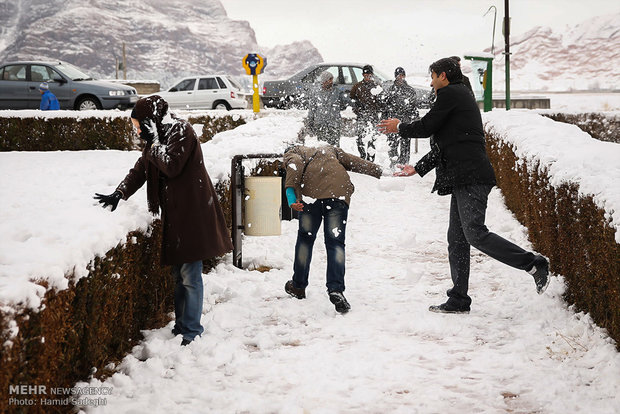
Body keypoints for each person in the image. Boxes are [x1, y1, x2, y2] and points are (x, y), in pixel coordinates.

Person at [377, 57, 550, 314]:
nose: (431, 82)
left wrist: (400, 126)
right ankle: (458, 298)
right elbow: (443, 144)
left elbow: (426, 127)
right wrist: (419, 167)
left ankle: (533, 264)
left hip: (471, 176)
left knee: (475, 234)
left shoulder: (452, 94)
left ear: (444, 76)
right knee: (457, 240)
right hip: (462, 178)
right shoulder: (456, 96)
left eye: (433, 76)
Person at [94, 95, 233, 345]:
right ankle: (182, 325)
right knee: (179, 275)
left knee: (190, 274)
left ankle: (191, 330)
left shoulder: (181, 131)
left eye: (138, 125)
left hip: (193, 213)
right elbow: (141, 169)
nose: (136, 130)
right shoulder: (155, 137)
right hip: (176, 214)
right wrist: (120, 192)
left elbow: (171, 166)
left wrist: (155, 140)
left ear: (150, 120)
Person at [283, 144, 382, 313]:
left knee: (305, 241)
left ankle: (298, 286)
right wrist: (379, 171)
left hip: (310, 198)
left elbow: (295, 165)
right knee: (335, 243)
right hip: (337, 195)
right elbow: (353, 161)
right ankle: (336, 289)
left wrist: (291, 197)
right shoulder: (329, 149)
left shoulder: (293, 153)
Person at [384, 67, 419, 167]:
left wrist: (414, 120)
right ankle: (394, 164)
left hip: (405, 123)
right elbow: (385, 107)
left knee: (405, 146)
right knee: (392, 145)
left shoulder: (410, 90)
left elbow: (413, 106)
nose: (400, 77)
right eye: (398, 75)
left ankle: (404, 165)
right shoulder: (390, 90)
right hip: (392, 122)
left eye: (402, 75)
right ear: (395, 76)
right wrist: (384, 120)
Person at [350, 65, 383, 161]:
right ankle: (362, 156)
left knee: (372, 138)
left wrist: (378, 108)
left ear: (372, 75)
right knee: (360, 138)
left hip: (373, 116)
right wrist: (357, 107)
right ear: (363, 75)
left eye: (369, 75)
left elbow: (381, 102)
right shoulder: (357, 86)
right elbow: (352, 99)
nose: (367, 77)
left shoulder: (377, 87)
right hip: (361, 116)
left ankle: (371, 159)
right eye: (365, 75)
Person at [306, 71, 346, 147]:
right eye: (329, 80)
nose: (331, 82)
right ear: (324, 81)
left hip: (334, 124)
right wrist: (310, 122)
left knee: (335, 149)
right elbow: (312, 109)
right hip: (321, 124)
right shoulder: (316, 93)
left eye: (332, 80)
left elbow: (344, 105)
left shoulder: (337, 92)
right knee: (323, 148)